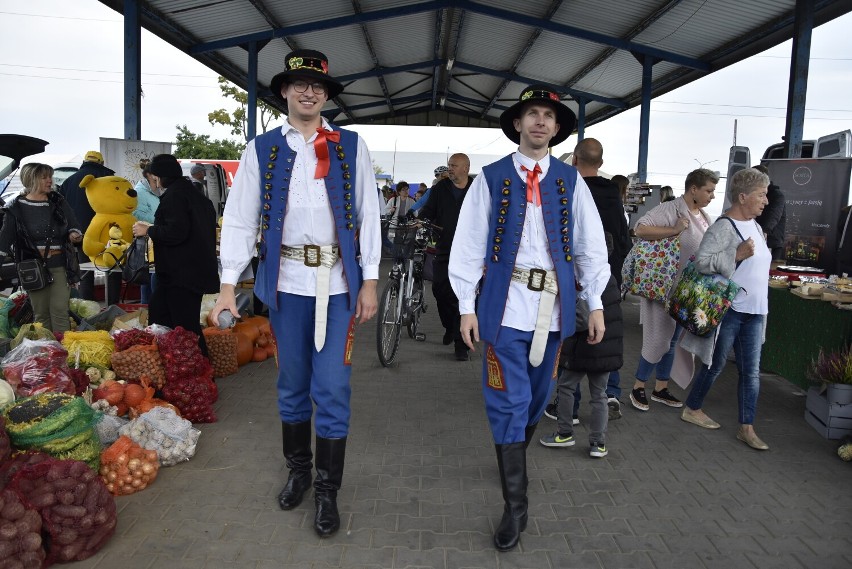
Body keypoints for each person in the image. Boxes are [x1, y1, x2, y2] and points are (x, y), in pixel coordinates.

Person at [208, 49, 381, 538]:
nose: (309, 92)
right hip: (284, 284)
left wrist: (369, 281)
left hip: (340, 285)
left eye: (318, 86)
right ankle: (299, 471)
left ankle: (328, 490)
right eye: (300, 84)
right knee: (291, 385)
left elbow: (369, 215)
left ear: (327, 95)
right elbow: (240, 219)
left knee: (332, 387)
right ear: (284, 91)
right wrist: (227, 290)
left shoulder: (352, 146)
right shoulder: (260, 148)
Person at [449, 84, 609, 551]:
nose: (540, 121)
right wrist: (465, 307)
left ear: (557, 129)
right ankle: (515, 507)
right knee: (508, 403)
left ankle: (512, 453)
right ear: (517, 124)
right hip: (504, 307)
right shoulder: (492, 177)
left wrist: (594, 301)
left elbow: (590, 246)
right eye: (532, 114)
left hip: (554, 309)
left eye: (548, 116)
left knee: (538, 400)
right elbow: (467, 245)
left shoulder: (570, 180)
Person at [680, 168, 772, 450]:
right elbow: (702, 262)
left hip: (755, 311)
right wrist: (735, 254)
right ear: (743, 197)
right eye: (761, 195)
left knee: (751, 372)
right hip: (730, 310)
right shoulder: (723, 226)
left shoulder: (756, 226)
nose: (765, 201)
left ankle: (747, 427)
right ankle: (692, 407)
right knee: (715, 364)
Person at [630, 168, 718, 412]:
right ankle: (638, 385)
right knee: (658, 339)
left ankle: (661, 387)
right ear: (693, 189)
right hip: (662, 287)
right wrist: (674, 229)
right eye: (708, 190)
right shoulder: (671, 209)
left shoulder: (705, 217)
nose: (712, 196)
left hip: (684, 290)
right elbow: (640, 228)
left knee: (672, 341)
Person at [131, 154, 219, 356]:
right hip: (190, 272)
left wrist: (149, 230)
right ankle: (175, 365)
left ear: (160, 176)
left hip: (181, 274)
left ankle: (198, 371)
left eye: (154, 177)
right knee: (164, 314)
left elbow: (176, 232)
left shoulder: (175, 197)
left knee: (185, 326)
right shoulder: (194, 194)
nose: (153, 181)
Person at [0, 163, 82, 332]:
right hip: (32, 269)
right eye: (44, 177)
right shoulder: (15, 208)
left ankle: (62, 351)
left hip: (60, 265)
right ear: (32, 180)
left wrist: (74, 234)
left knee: (60, 309)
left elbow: (74, 225)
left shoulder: (58, 202)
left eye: (50, 176)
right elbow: (4, 240)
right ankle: (47, 352)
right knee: (41, 313)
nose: (49, 180)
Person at [419, 154, 474, 360]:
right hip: (444, 248)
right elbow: (429, 211)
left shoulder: (477, 189)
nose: (450, 169)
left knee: (464, 296)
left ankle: (462, 345)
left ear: (465, 168)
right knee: (440, 290)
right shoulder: (440, 189)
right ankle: (450, 326)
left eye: (454, 166)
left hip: (470, 253)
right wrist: (422, 220)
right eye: (449, 165)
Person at [58, 150, 120, 303]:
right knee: (112, 267)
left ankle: (89, 306)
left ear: (84, 162)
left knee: (85, 268)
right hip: (108, 232)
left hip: (81, 234)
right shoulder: (110, 179)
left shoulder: (69, 181)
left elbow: (61, 210)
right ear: (101, 163)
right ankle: (113, 305)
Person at [133, 161, 161, 304]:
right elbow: (137, 214)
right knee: (149, 277)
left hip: (153, 238)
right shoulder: (140, 192)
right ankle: (147, 309)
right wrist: (160, 220)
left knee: (151, 276)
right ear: (149, 176)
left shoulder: (152, 192)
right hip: (147, 241)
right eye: (155, 178)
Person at [752, 164, 786, 260]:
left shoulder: (776, 195)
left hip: (771, 242)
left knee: (768, 271)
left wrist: (764, 231)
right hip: (758, 237)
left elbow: (774, 215)